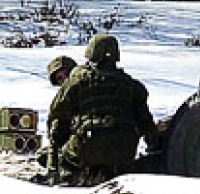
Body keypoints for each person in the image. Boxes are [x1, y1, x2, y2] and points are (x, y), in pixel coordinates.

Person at [42, 35, 160, 185]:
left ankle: (69, 177)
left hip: (85, 153)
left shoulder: (77, 83)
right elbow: (146, 123)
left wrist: (53, 166)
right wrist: (154, 146)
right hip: (123, 155)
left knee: (56, 156)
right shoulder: (131, 85)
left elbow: (57, 124)